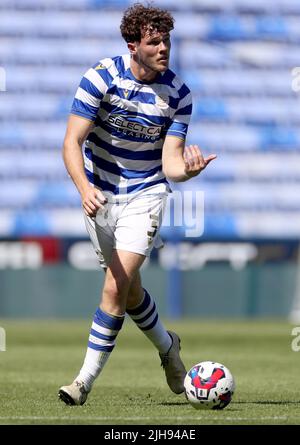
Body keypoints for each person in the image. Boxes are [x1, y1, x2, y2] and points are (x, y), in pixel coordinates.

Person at [58, 2, 216, 406]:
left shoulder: (179, 94)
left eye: (167, 40)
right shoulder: (100, 79)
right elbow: (71, 142)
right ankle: (168, 347)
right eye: (154, 41)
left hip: (146, 194)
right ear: (133, 46)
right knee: (129, 293)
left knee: (114, 286)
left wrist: (189, 171)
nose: (164, 47)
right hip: (100, 195)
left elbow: (171, 165)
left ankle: (82, 384)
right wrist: (83, 189)